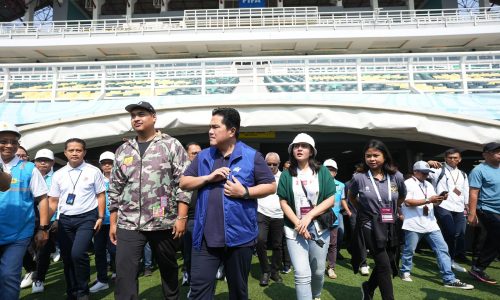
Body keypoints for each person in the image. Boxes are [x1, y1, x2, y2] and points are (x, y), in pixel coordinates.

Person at [180, 107, 276, 300]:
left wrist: (245, 192)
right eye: (210, 126)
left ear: (232, 130)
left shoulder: (252, 156)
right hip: (205, 238)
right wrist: (208, 178)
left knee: (238, 292)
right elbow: (184, 182)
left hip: (240, 239)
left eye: (215, 126)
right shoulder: (203, 156)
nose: (210, 131)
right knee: (198, 292)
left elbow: (271, 186)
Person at [108, 101, 192, 300]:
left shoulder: (171, 145)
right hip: (128, 223)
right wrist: (113, 222)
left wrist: (181, 217)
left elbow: (184, 182)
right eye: (133, 115)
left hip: (162, 220)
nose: (136, 118)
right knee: (124, 275)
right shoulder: (123, 150)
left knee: (168, 269)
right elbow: (115, 187)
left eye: (141, 114)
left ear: (153, 117)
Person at [277, 133, 335, 300]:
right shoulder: (287, 174)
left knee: (317, 272)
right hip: (294, 229)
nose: (299, 148)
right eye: (296, 146)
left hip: (319, 227)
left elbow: (330, 199)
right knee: (302, 273)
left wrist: (308, 217)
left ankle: (315, 295)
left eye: (304, 146)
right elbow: (283, 202)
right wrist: (298, 223)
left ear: (311, 151)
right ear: (292, 150)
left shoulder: (322, 172)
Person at [399, 161, 474, 289]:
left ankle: (449, 279)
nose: (426, 175)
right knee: (409, 250)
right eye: (423, 173)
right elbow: (407, 202)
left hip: (431, 223)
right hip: (413, 223)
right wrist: (429, 200)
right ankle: (405, 270)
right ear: (415, 171)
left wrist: (439, 200)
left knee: (443, 249)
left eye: (428, 173)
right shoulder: (407, 183)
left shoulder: (428, 184)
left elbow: (433, 203)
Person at [48, 138, 106, 300]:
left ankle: (82, 290)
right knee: (67, 258)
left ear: (84, 152)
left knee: (78, 253)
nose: (75, 153)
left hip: (87, 217)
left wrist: (100, 216)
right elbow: (53, 200)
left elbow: (101, 195)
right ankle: (72, 290)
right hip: (65, 220)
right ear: (65, 153)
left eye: (78, 150)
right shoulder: (59, 174)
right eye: (71, 150)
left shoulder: (93, 171)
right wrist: (47, 222)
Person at [348, 139, 406, 300]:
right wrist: (365, 211)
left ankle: (368, 287)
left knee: (388, 260)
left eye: (376, 155)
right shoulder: (359, 177)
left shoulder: (397, 176)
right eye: (368, 156)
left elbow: (401, 197)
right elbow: (352, 197)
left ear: (385, 156)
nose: (372, 159)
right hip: (369, 224)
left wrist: (393, 210)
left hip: (390, 223)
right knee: (384, 263)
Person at [0, 122, 49, 300]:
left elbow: (43, 198)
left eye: (13, 142)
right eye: (3, 141)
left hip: (18, 233)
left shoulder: (29, 169)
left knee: (9, 275)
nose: (9, 145)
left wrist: (43, 228)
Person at [428, 149, 469, 272]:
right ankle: (446, 260)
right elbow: (419, 170)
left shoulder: (463, 174)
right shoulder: (438, 170)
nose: (452, 159)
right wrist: (428, 162)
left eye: (455, 157)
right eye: (450, 157)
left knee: (459, 234)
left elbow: (465, 190)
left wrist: (468, 207)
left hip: (459, 207)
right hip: (443, 206)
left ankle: (450, 260)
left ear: (460, 159)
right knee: (450, 234)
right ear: (445, 158)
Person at [467, 142, 500, 285]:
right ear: (485, 154)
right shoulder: (478, 170)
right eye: (496, 152)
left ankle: (478, 266)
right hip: (487, 209)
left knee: (494, 239)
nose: (499, 154)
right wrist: (472, 214)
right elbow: (473, 193)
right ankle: (478, 267)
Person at [89, 151, 117, 293]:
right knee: (99, 251)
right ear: (100, 165)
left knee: (114, 250)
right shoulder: (96, 178)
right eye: (104, 163)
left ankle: (118, 273)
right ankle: (102, 279)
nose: (107, 165)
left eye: (110, 163)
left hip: (116, 221)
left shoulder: (120, 178)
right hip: (99, 221)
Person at [31, 149, 57, 294]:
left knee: (43, 251)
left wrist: (56, 218)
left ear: (52, 162)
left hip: (49, 220)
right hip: (27, 219)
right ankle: (31, 270)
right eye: (39, 160)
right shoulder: (29, 175)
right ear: (34, 162)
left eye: (46, 160)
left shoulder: (57, 177)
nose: (42, 162)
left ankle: (38, 278)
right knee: (28, 251)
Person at [256, 152, 284, 286]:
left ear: (279, 164)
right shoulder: (258, 175)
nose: (272, 166)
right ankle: (265, 271)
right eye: (269, 164)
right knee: (260, 241)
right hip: (261, 212)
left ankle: (275, 271)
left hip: (279, 214)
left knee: (277, 245)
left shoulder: (285, 177)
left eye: (274, 164)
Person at [182, 142, 202, 286]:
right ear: (187, 155)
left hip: (205, 217)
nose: (197, 155)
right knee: (189, 252)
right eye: (194, 153)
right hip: (189, 218)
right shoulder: (183, 172)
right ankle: (188, 274)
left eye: (199, 152)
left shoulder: (207, 169)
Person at [323, 159, 345, 280]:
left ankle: (331, 267)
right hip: (319, 219)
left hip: (334, 219)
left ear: (336, 172)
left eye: (332, 170)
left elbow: (342, 200)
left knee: (333, 244)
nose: (329, 172)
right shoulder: (317, 183)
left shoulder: (341, 185)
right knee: (319, 244)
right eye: (327, 169)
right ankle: (318, 266)